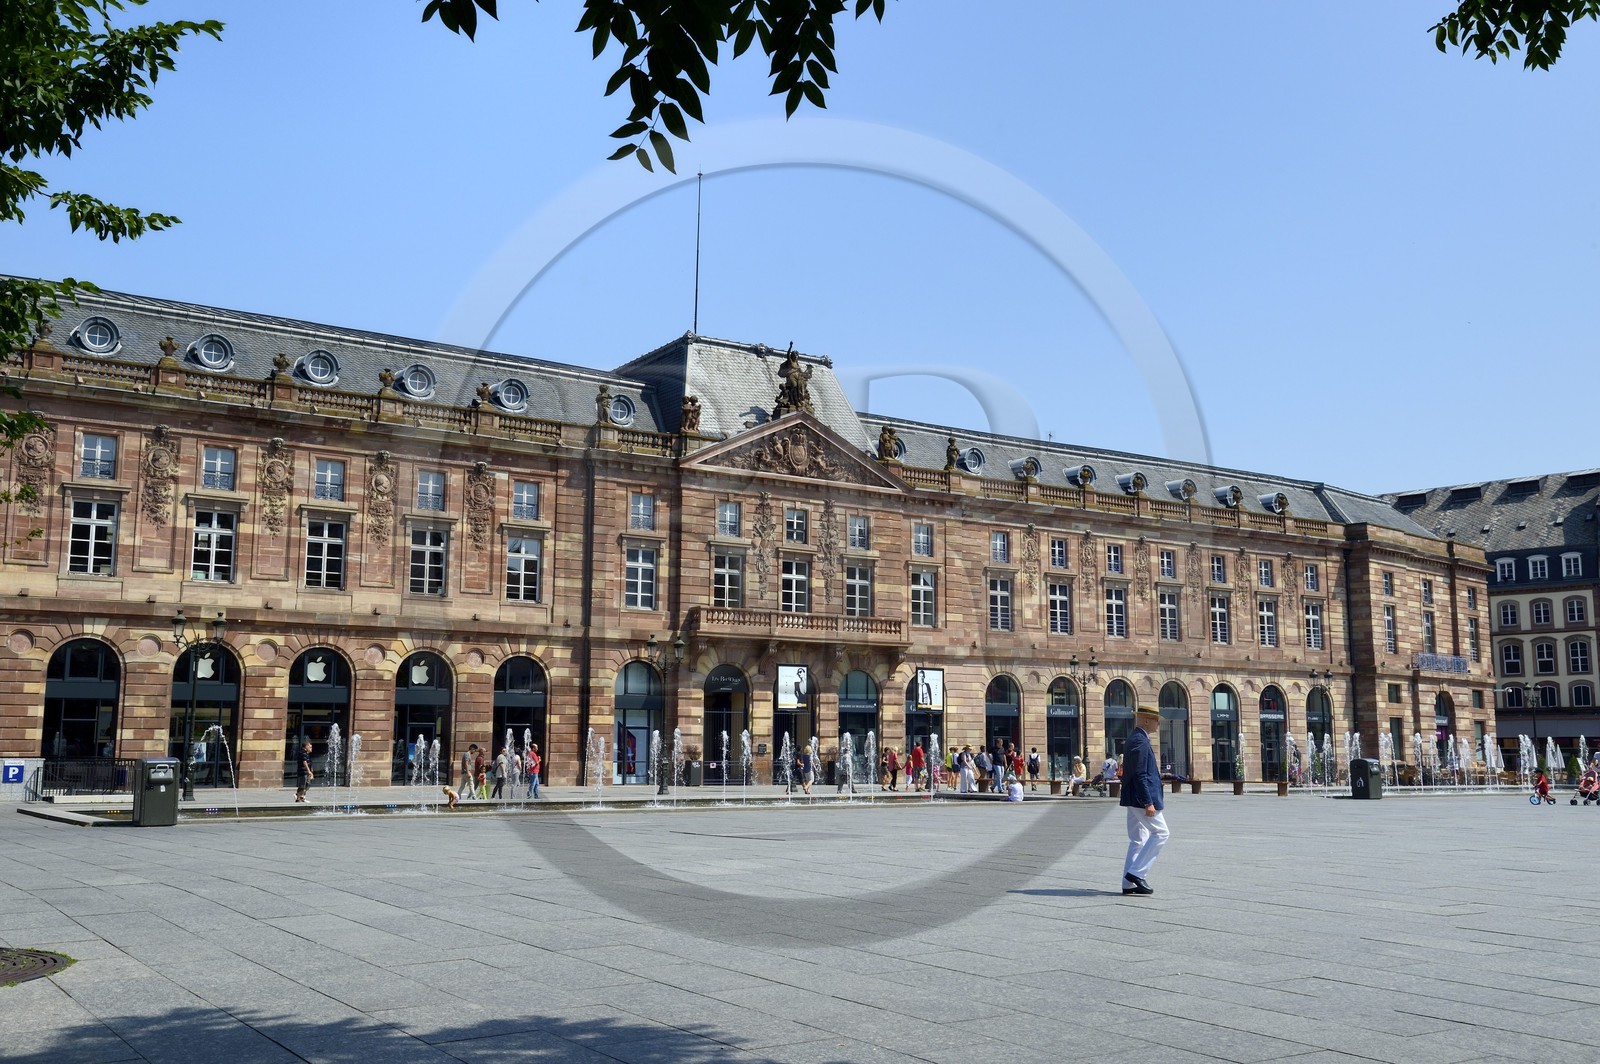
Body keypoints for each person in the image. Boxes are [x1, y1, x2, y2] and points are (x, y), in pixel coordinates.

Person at [1120, 707, 1170, 896]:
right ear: (1147, 721)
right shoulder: (1140, 741)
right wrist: (1147, 802)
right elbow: (1140, 774)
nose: (1159, 724)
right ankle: (1136, 873)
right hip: (1140, 798)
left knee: (1138, 840)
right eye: (1157, 720)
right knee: (1162, 833)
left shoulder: (1136, 738)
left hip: (1132, 798)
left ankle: (1128, 883)